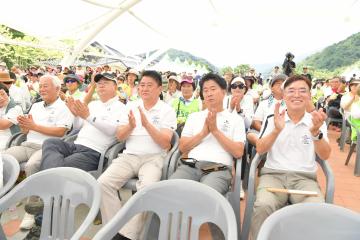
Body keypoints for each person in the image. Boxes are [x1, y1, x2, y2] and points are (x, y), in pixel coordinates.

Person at [250, 75, 331, 239]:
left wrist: (316, 133)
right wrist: (276, 130)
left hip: (304, 180)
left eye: (303, 91)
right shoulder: (273, 118)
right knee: (263, 205)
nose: (297, 95)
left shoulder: (316, 121)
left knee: (316, 210)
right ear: (283, 95)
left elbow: (325, 154)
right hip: (273, 175)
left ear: (309, 96)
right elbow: (260, 148)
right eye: (291, 91)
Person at [98, 70, 176, 240]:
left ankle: (126, 236)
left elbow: (165, 143)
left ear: (159, 89)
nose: (144, 88)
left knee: (146, 189)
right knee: (103, 183)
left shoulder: (166, 110)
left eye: (149, 85)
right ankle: (114, 228)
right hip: (129, 156)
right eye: (142, 85)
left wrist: (147, 124)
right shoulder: (131, 106)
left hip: (154, 158)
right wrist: (130, 126)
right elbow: (119, 136)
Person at [4, 74, 74, 230]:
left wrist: (33, 126)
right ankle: (5, 198)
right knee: (4, 158)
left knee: (32, 165)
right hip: (27, 144)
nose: (41, 89)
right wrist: (24, 126)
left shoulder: (64, 107)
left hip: (47, 148)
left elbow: (61, 132)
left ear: (57, 88)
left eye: (45, 86)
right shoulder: (35, 105)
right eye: (40, 86)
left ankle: (31, 211)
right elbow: (26, 129)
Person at [170, 72, 245, 196]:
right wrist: (203, 133)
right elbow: (183, 147)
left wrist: (215, 131)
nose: (209, 93)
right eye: (205, 90)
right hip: (190, 167)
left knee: (205, 197)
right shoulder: (194, 117)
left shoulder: (235, 119)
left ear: (223, 92)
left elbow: (238, 152)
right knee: (169, 191)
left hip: (218, 169)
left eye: (213, 89)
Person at [0, 81, 22, 151]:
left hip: (9, 140)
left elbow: (3, 125)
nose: (1, 98)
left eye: (2, 94)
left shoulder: (16, 108)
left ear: (8, 94)